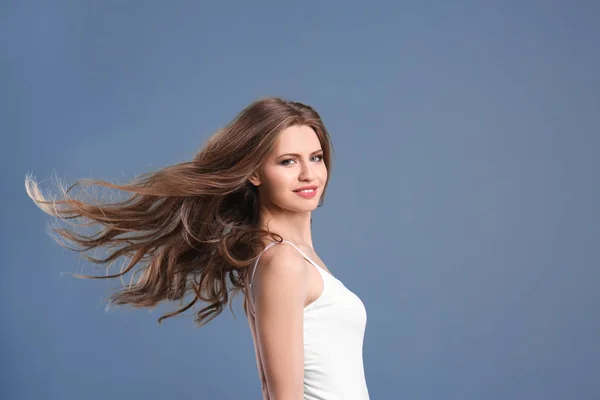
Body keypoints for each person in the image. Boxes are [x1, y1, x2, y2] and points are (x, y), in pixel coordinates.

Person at [25, 96, 370, 399]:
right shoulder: (282, 261)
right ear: (254, 173)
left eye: (316, 157)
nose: (309, 174)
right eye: (288, 161)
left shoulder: (296, 257)